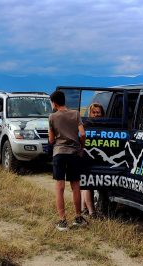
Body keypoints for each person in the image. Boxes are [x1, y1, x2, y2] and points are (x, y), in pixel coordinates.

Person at [48, 90, 87, 231]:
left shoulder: (52, 117)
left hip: (59, 153)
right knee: (75, 186)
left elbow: (51, 139)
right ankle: (78, 217)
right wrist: (81, 146)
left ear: (54, 103)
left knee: (60, 187)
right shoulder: (75, 114)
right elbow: (82, 134)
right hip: (73, 153)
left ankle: (62, 221)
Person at [81, 103, 104, 217]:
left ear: (102, 114)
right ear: (89, 113)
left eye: (98, 112)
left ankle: (83, 208)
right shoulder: (85, 125)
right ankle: (91, 211)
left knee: (87, 183)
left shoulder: (106, 125)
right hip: (86, 157)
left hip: (100, 158)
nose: (96, 115)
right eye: (94, 112)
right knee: (87, 183)